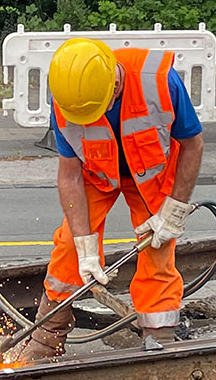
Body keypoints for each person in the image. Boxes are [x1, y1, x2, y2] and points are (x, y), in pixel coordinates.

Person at [19, 37, 204, 360]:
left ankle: (159, 335)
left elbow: (192, 145)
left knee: (157, 249)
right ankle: (48, 336)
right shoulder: (68, 97)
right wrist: (85, 247)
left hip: (150, 175)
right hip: (96, 175)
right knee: (68, 250)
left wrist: (174, 210)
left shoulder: (160, 82)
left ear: (116, 84)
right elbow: (69, 174)